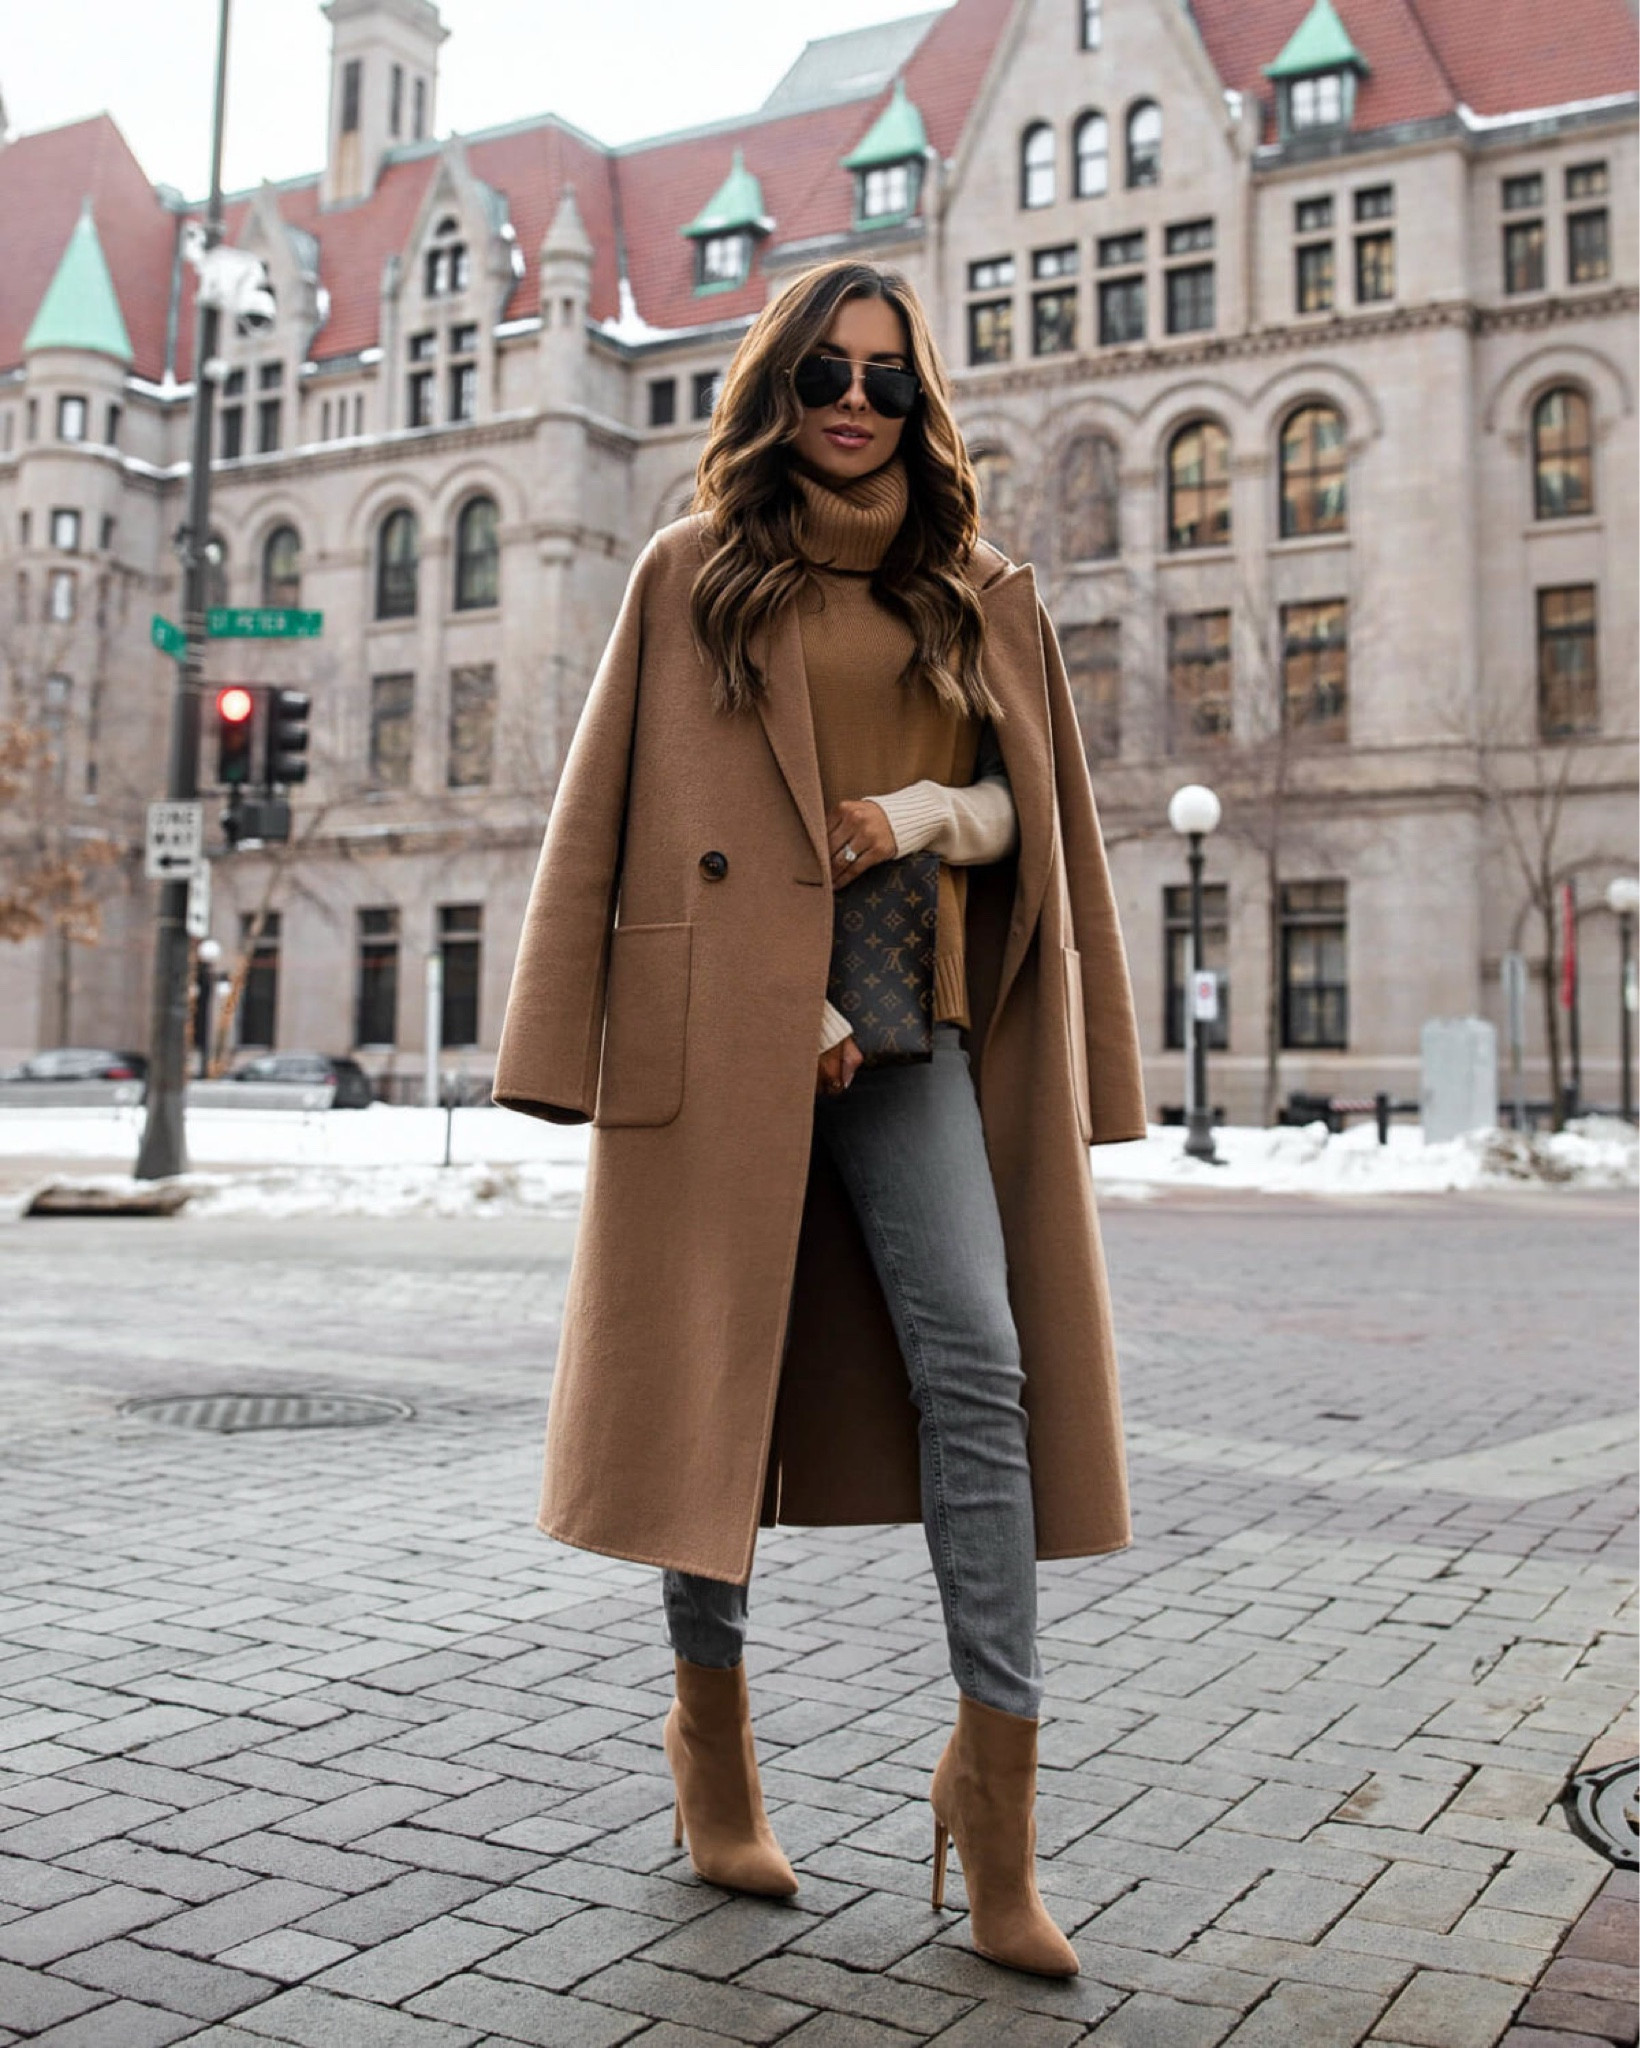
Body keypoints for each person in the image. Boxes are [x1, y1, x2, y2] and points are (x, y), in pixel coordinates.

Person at [494, 256, 1147, 1980]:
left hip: (916, 1040)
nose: (851, 404)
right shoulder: (694, 575)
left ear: (914, 397)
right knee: (719, 1376)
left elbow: (1033, 820)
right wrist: (720, 1016)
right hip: (734, 1044)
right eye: (820, 375)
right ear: (776, 388)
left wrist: (926, 808)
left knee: (983, 1371)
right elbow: (619, 824)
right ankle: (711, 1748)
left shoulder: (974, 587)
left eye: (879, 377)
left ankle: (994, 1800)